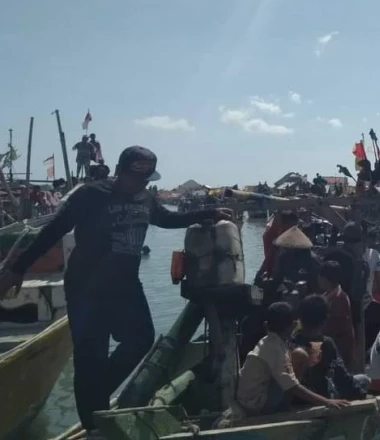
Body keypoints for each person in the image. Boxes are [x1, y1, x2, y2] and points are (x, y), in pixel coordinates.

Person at [0, 146, 233, 436]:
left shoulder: (145, 198)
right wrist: (18, 268)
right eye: (137, 179)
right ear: (120, 171)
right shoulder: (91, 195)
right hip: (86, 287)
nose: (141, 185)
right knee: (90, 356)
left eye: (147, 180)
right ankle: (92, 424)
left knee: (141, 338)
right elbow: (54, 230)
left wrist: (208, 213)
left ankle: (95, 396)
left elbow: (165, 219)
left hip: (125, 285)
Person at [236, 302, 349, 416]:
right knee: (300, 355)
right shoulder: (275, 349)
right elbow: (292, 387)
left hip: (249, 399)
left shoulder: (268, 341)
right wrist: (326, 401)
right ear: (292, 326)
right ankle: (284, 408)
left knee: (295, 357)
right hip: (255, 405)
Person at [290, 295, 369, 401]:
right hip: (319, 395)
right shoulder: (326, 344)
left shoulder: (292, 340)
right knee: (364, 380)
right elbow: (341, 377)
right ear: (325, 319)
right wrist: (362, 395)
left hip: (295, 397)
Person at [340, 221, 380, 372]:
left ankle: (362, 355)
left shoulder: (335, 254)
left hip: (354, 304)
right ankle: (360, 358)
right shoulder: (356, 261)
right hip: (353, 307)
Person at [318, 261, 355, 363]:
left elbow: (336, 327)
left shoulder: (339, 298)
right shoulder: (327, 295)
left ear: (325, 278)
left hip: (338, 349)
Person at [256, 211, 299, 280]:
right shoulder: (272, 236)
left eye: (296, 226)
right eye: (292, 226)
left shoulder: (294, 237)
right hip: (272, 273)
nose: (295, 229)